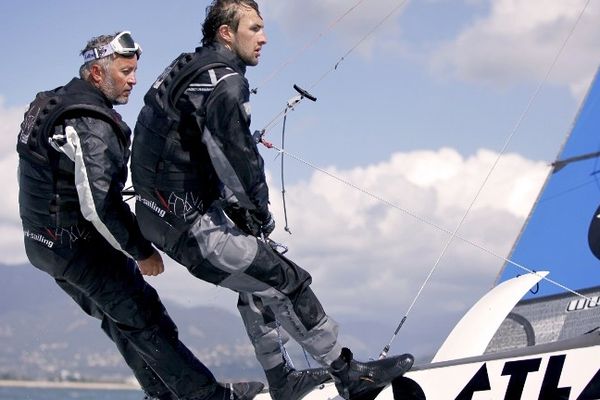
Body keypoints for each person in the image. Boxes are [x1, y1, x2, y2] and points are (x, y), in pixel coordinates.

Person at [131, 1, 414, 399]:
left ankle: (282, 379)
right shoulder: (226, 83)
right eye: (255, 28)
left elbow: (178, 145)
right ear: (226, 33)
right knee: (287, 279)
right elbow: (238, 158)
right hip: (191, 226)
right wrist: (258, 212)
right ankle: (348, 374)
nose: (264, 38)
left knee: (256, 283)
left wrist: (232, 209)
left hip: (161, 214)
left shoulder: (185, 66)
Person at [17, 31, 264, 400]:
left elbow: (55, 176)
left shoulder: (53, 102)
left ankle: (162, 393)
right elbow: (99, 205)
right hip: (76, 246)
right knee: (145, 316)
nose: (133, 79)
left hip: (44, 245)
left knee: (122, 321)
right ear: (97, 74)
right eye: (125, 71)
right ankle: (207, 397)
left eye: (135, 70)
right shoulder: (92, 124)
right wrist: (141, 251)